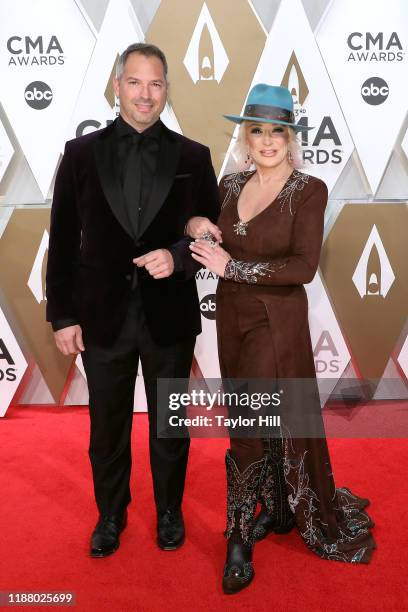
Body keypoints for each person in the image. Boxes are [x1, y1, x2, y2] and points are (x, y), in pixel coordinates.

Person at [187, 84, 376, 594]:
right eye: (257, 130)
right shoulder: (227, 185)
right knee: (258, 419)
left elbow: (303, 267)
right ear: (244, 135)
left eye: (277, 130)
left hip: (277, 322)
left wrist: (233, 266)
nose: (267, 140)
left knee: (247, 426)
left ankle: (238, 537)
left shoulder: (309, 188)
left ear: (290, 136)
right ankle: (276, 504)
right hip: (231, 318)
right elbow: (197, 221)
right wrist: (197, 223)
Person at [46, 43, 219, 558]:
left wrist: (178, 256)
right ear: (117, 85)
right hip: (102, 314)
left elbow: (210, 235)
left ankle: (169, 511)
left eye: (157, 83)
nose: (146, 94)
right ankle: (110, 514)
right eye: (136, 82)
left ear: (167, 90)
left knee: (171, 424)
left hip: (169, 314)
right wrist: (62, 314)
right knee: (107, 425)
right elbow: (63, 239)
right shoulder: (80, 154)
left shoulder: (193, 156)